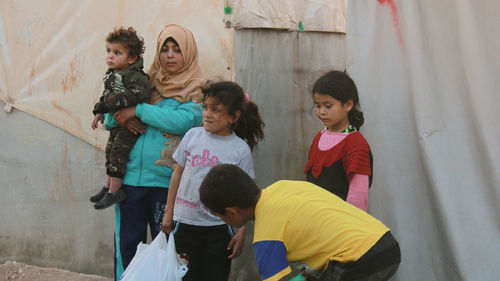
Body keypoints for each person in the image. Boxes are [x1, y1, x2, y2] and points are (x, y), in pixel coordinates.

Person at [104, 24, 205, 280]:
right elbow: (108, 118)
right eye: (164, 49)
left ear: (189, 53)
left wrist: (138, 112)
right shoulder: (143, 82)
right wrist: (122, 117)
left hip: (167, 185)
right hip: (130, 181)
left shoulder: (197, 90)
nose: (169, 56)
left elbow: (184, 121)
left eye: (177, 49)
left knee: (170, 247)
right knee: (127, 245)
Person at [200, 164, 401, 281]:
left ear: (231, 212)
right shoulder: (283, 186)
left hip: (358, 260)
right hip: (385, 241)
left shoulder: (266, 235)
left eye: (219, 216)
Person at [161, 81, 265, 281]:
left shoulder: (240, 148)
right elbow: (177, 174)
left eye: (216, 110)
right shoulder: (192, 136)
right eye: (205, 107)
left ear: (233, 117)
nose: (207, 114)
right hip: (185, 223)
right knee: (184, 276)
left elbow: (247, 195)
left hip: (218, 229)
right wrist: (169, 212)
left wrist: (241, 231)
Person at [90, 27, 151, 209]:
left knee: (118, 154)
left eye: (117, 53)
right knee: (109, 152)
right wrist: (99, 111)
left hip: (132, 126)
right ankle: (108, 186)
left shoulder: (136, 75)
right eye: (108, 51)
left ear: (132, 58)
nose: (110, 56)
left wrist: (112, 102)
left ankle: (115, 192)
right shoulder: (111, 74)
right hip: (118, 124)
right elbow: (105, 96)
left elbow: (138, 94)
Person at [305, 70, 373, 211]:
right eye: (318, 106)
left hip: (340, 224)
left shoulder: (356, 144)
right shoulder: (319, 137)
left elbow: (358, 196)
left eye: (328, 106)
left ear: (348, 105)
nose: (321, 111)